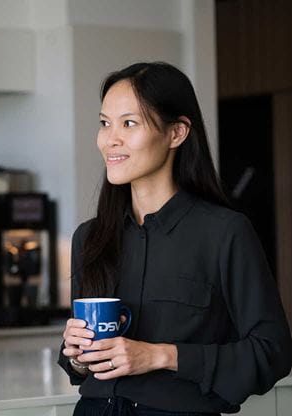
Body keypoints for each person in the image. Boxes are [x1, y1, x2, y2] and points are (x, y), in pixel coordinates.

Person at [59, 62, 292, 415]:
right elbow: (80, 369)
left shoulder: (225, 233)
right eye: (105, 123)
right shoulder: (89, 238)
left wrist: (159, 355)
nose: (111, 139)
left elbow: (272, 352)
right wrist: (76, 356)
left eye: (129, 123)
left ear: (177, 133)